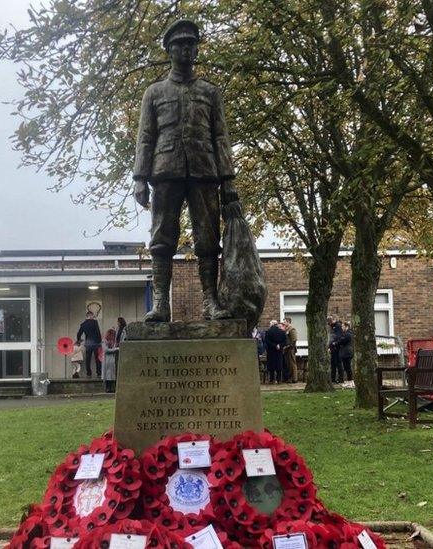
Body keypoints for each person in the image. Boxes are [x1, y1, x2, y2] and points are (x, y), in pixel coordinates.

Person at [133, 19, 238, 322]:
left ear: (196, 50)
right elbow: (146, 137)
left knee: (208, 239)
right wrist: (139, 178)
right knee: (162, 238)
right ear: (169, 50)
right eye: (179, 44)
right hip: (165, 171)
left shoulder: (210, 92)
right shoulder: (154, 93)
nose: (186, 49)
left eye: (191, 44)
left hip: (205, 171)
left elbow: (220, 137)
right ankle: (161, 304)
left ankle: (211, 301)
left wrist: (228, 179)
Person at [76, 311, 102, 377]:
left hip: (88, 343)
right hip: (95, 343)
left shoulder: (83, 324)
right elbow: (98, 332)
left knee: (88, 359)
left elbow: (78, 334)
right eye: (92, 316)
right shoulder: (94, 322)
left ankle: (88, 373)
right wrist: (99, 341)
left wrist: (79, 340)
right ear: (90, 315)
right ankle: (98, 373)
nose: (93, 317)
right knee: (97, 358)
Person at [263, 320, 287, 384]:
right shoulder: (282, 332)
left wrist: (274, 345)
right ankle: (279, 379)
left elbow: (267, 341)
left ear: (273, 324)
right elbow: (285, 341)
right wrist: (279, 345)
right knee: (279, 365)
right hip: (279, 351)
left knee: (271, 365)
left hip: (271, 351)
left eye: (270, 323)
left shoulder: (268, 332)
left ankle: (272, 379)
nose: (269, 325)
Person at [102, 328, 119, 393]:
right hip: (107, 359)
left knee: (112, 374)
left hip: (112, 359)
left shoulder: (114, 342)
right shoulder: (104, 341)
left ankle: (112, 388)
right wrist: (116, 349)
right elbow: (106, 350)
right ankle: (108, 388)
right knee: (107, 374)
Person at [282, 317, 298, 383]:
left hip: (291, 349)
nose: (283, 323)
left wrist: (289, 346)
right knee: (288, 364)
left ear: (288, 322)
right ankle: (290, 378)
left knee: (292, 364)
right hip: (287, 349)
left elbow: (294, 339)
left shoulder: (292, 329)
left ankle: (294, 379)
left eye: (284, 322)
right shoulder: (286, 329)